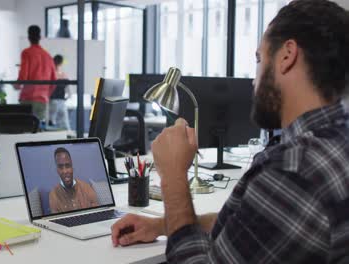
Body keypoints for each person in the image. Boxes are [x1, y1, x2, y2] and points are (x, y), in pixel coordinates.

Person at [111, 0, 349, 262]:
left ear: (286, 55)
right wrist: (162, 225)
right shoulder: (336, 144)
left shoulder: (293, 170)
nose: (253, 79)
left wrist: (174, 176)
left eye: (259, 59)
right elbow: (254, 228)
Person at [15, 25, 56, 123]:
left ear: (28, 37)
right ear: (40, 37)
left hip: (27, 98)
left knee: (25, 129)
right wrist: (46, 94)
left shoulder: (27, 53)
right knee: (38, 130)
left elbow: (23, 76)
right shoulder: (47, 55)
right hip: (42, 99)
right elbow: (54, 81)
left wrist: (16, 85)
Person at [49, 147, 99, 213]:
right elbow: (55, 220)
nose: (65, 171)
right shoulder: (53, 195)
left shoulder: (87, 188)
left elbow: (97, 213)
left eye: (68, 166)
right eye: (61, 167)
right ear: (57, 170)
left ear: (72, 167)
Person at [49, 55, 71, 130]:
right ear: (61, 63)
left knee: (51, 123)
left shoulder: (50, 74)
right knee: (64, 124)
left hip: (52, 101)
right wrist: (66, 98)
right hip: (61, 101)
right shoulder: (64, 75)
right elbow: (69, 93)